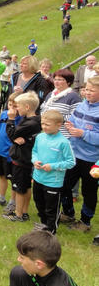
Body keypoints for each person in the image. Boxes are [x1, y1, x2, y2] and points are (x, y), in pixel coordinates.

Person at [60, 76, 99, 232]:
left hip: (91, 159)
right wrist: (70, 126)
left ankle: (85, 221)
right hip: (73, 154)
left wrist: (82, 133)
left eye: (91, 90)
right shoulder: (83, 104)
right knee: (64, 185)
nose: (87, 93)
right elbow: (75, 121)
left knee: (88, 192)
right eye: (86, 89)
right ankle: (68, 213)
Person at [9, 230, 86, 286]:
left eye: (22, 257)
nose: (18, 259)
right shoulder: (49, 271)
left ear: (39, 264)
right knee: (18, 273)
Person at [31, 110, 75, 234]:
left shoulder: (63, 142)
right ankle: (44, 224)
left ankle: (51, 229)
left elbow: (70, 162)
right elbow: (34, 152)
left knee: (51, 207)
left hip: (53, 182)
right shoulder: (40, 137)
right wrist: (35, 161)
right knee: (39, 203)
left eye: (47, 125)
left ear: (58, 125)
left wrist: (53, 166)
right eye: (42, 124)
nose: (44, 127)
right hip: (38, 177)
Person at [4, 91, 41, 222]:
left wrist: (11, 119)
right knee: (26, 186)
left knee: (19, 187)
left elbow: (12, 134)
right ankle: (24, 211)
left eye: (18, 106)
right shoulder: (35, 120)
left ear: (27, 107)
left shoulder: (29, 123)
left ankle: (18, 214)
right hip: (27, 157)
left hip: (22, 159)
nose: (16, 108)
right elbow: (16, 137)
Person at [0, 91, 21, 211]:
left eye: (15, 106)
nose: (11, 108)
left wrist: (12, 119)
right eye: (10, 104)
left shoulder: (21, 120)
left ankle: (13, 201)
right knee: (2, 175)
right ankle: (1, 197)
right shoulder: (4, 114)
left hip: (10, 154)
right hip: (0, 151)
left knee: (13, 179)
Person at [40, 69, 82, 138]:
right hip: (48, 134)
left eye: (60, 80)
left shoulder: (73, 96)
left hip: (64, 136)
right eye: (55, 79)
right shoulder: (50, 95)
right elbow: (42, 109)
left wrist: (56, 117)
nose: (56, 82)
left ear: (68, 82)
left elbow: (76, 117)